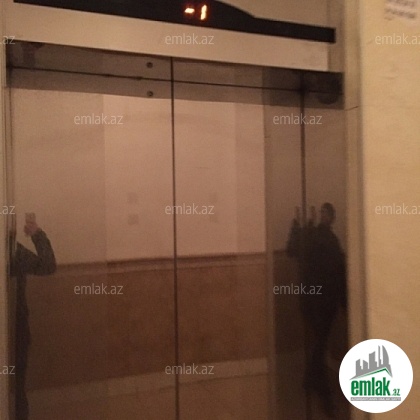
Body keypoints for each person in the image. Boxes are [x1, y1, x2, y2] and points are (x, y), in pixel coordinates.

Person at [287, 203, 346, 417]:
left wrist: (299, 225)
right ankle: (323, 394)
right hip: (320, 301)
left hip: (320, 300)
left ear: (330, 217)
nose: (323, 215)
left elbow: (294, 250)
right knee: (319, 344)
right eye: (322, 212)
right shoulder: (323, 238)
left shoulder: (326, 239)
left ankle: (311, 380)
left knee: (319, 344)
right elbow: (294, 250)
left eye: (325, 213)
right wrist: (301, 225)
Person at [9, 217, 56, 420]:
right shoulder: (12, 252)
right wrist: (37, 233)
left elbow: (48, 266)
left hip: (17, 329)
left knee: (17, 389)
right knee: (17, 388)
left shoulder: (13, 252)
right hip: (17, 328)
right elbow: (48, 265)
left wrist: (37, 234)